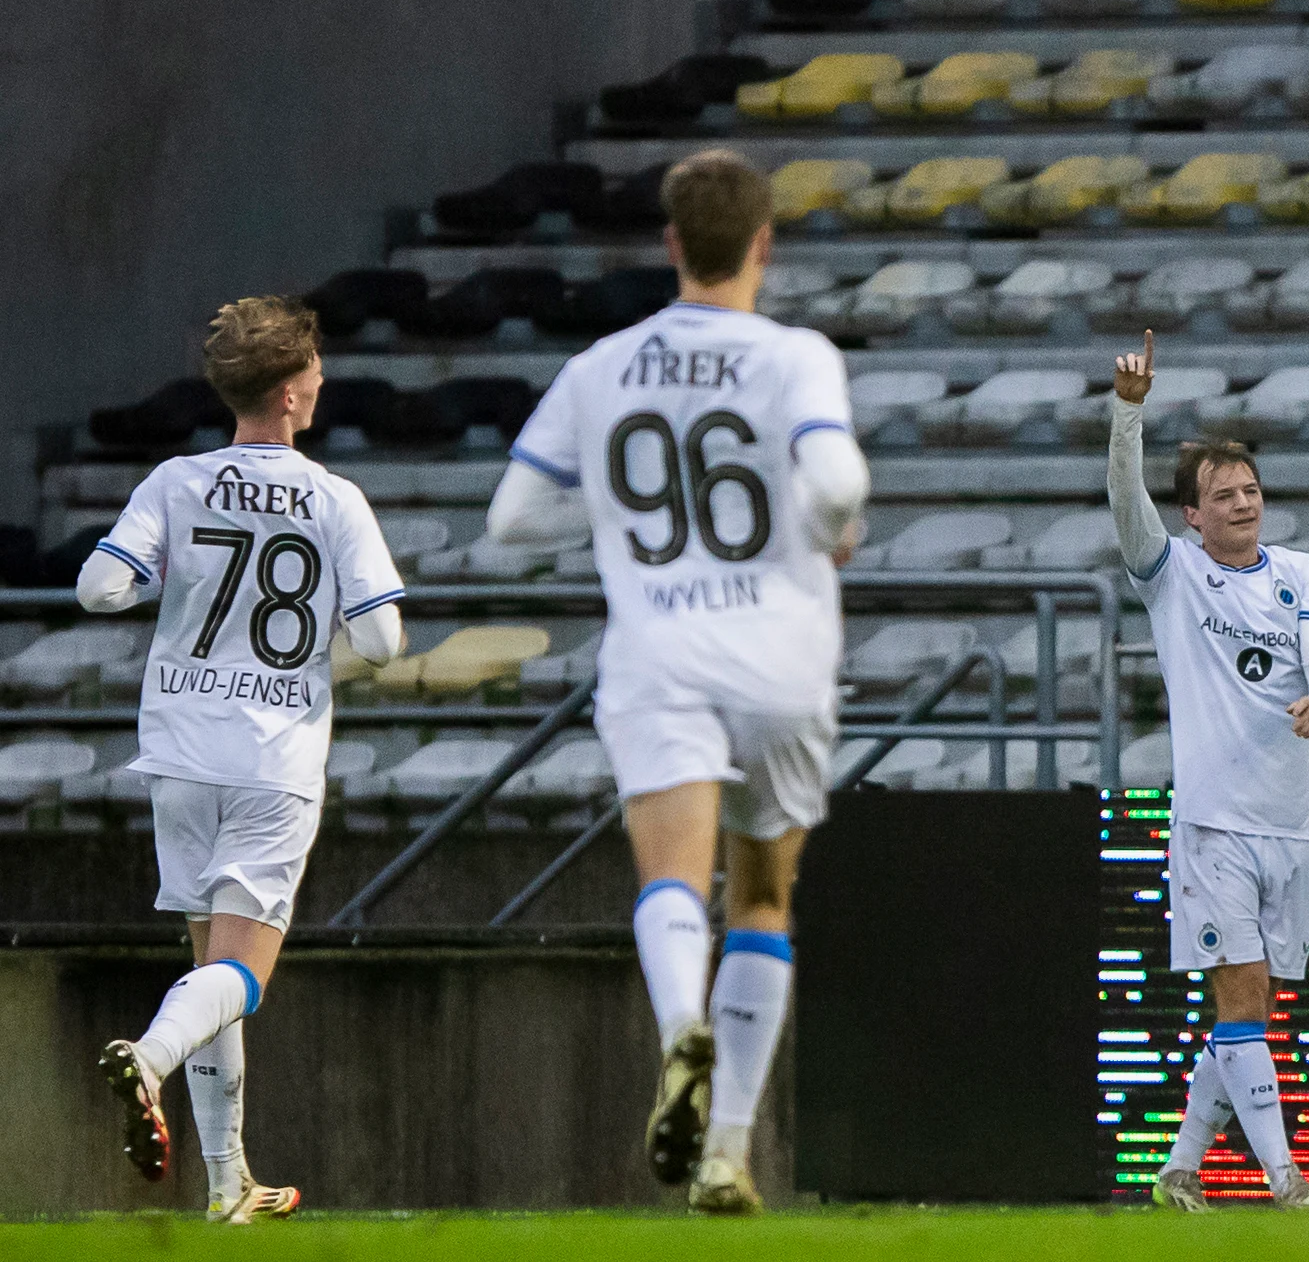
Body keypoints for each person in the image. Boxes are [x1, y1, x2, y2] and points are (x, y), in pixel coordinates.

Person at [483, 149, 868, 1214]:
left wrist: (611, 517)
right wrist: (824, 526)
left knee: (670, 882)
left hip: (657, 652)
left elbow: (511, 519)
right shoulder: (795, 354)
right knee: (761, 894)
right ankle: (725, 1149)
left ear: (668, 245)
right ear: (763, 244)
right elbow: (836, 478)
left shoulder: (603, 364)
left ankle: (675, 1030)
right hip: (783, 655)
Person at [84, 297, 406, 1223]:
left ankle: (228, 1184)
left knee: (209, 971)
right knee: (243, 975)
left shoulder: (176, 481)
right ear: (295, 392)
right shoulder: (336, 499)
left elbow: (100, 585)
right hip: (272, 755)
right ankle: (148, 1056)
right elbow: (382, 641)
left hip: (179, 751)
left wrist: (167, 585)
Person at [1108, 330, 1309, 1212]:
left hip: (1292, 822)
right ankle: (1286, 1179)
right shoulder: (1172, 576)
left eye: (1250, 489)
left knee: (1252, 1015)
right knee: (1243, 999)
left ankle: (1178, 1169)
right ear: (1193, 517)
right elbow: (1126, 507)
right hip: (1214, 823)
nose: (1243, 503)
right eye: (1223, 495)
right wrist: (1125, 418)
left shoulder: (1302, 574)